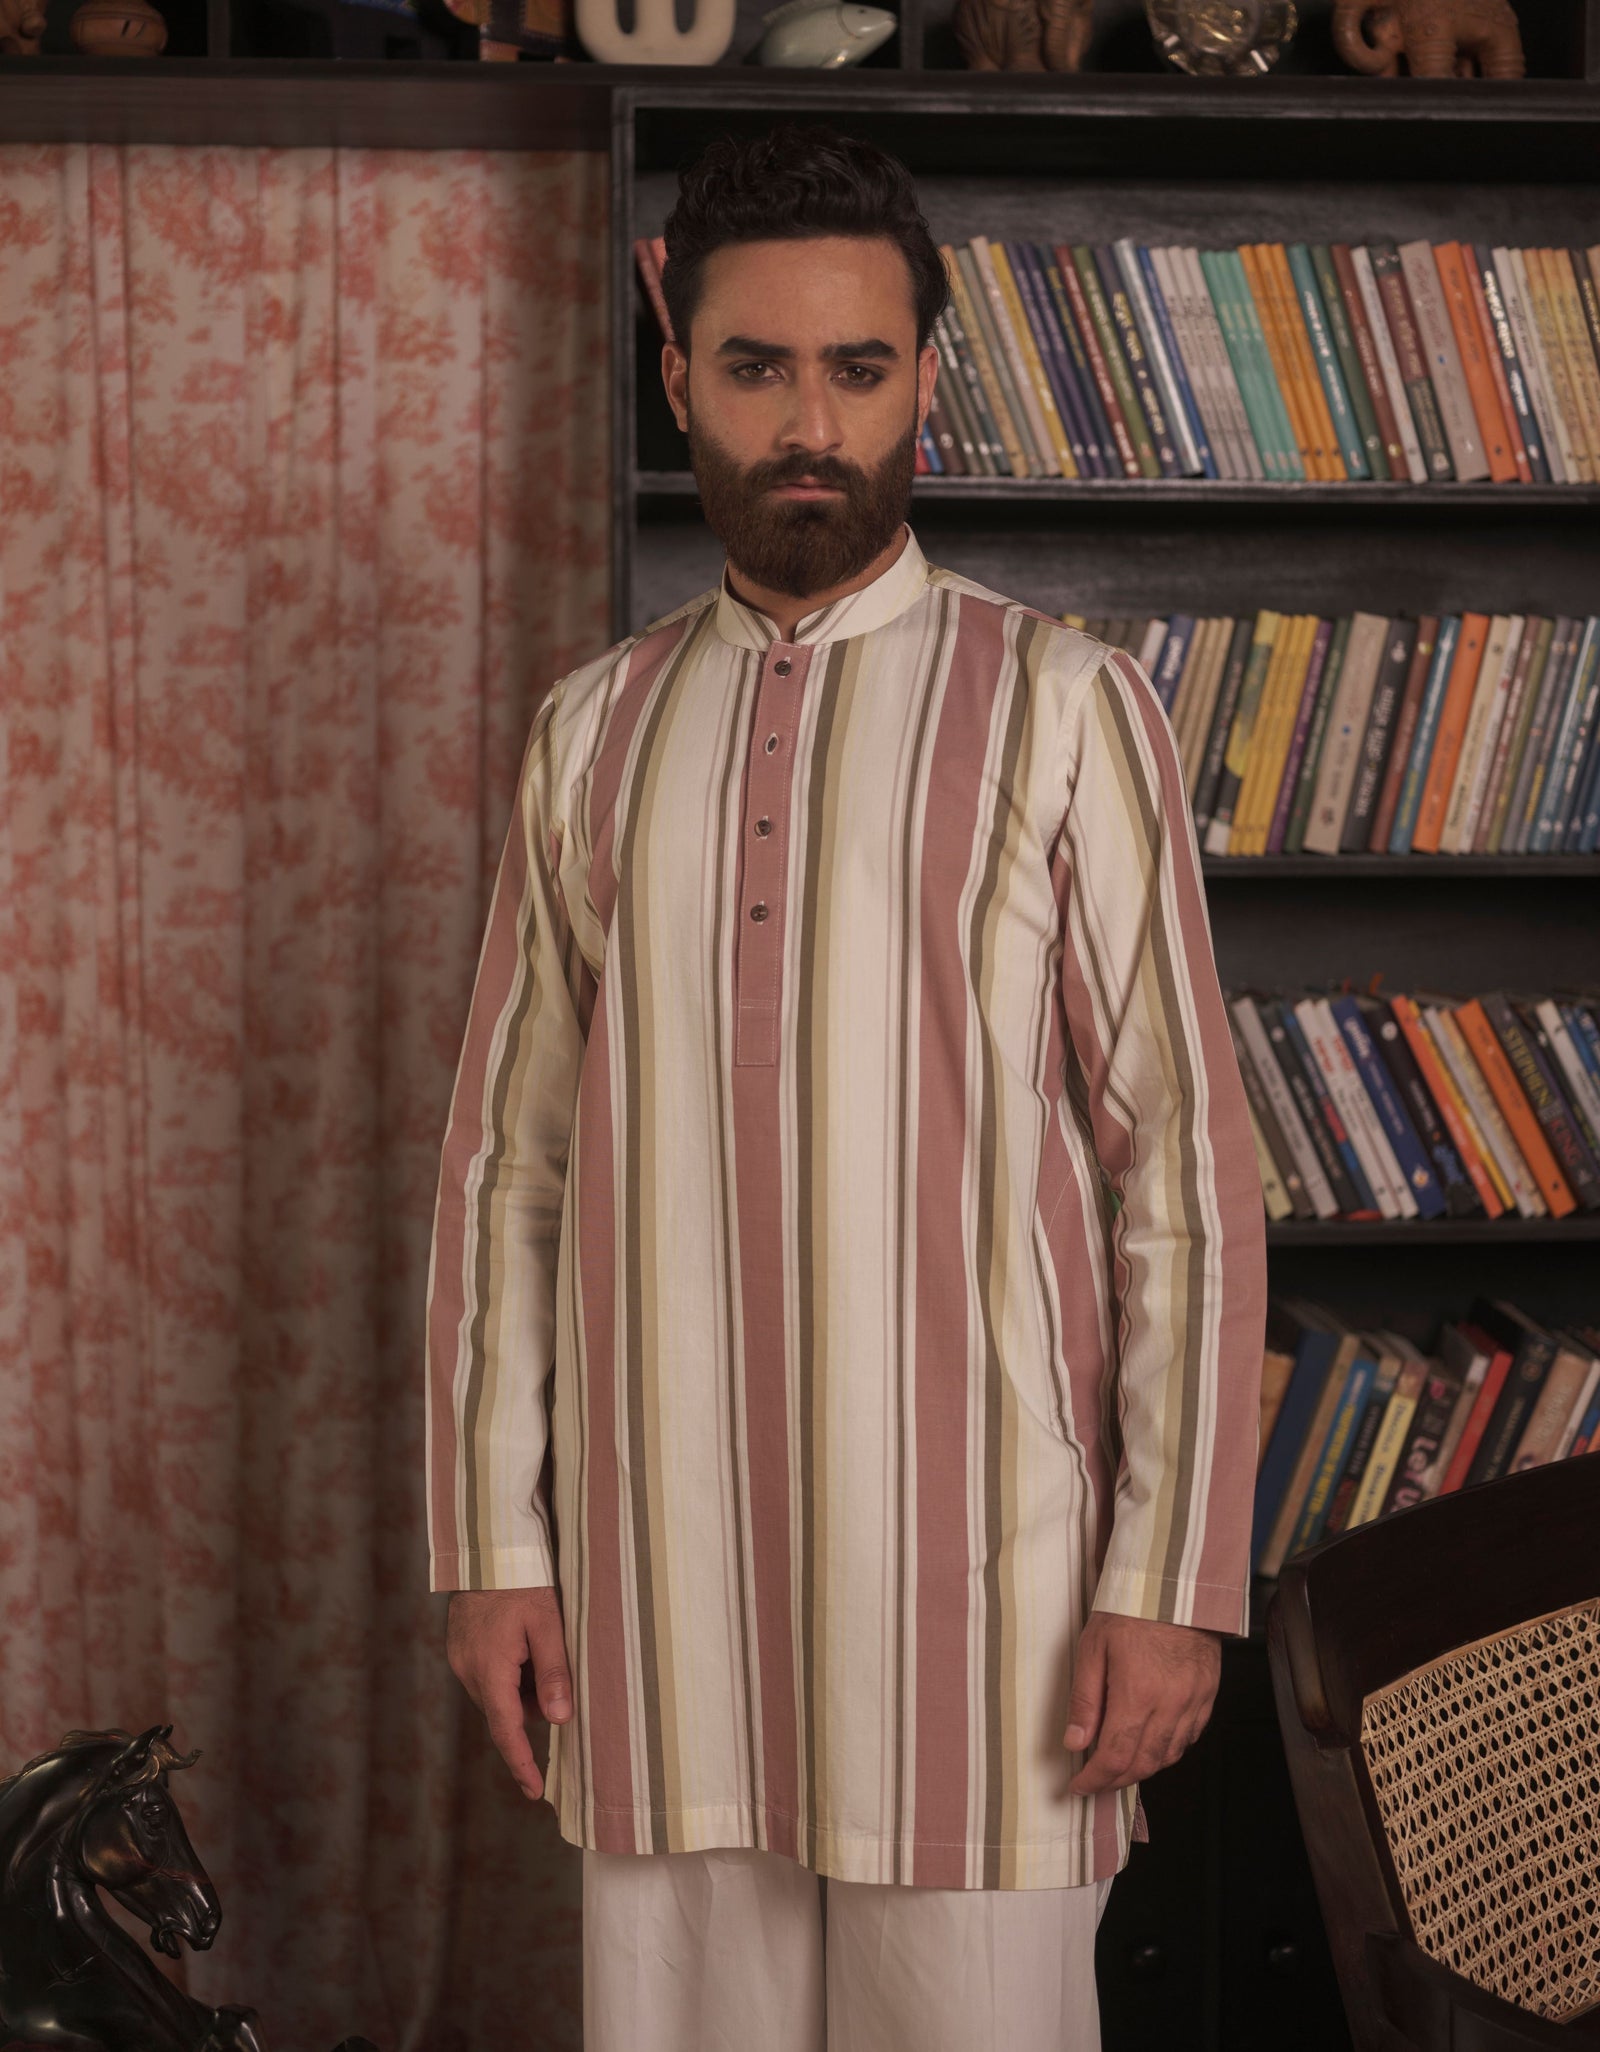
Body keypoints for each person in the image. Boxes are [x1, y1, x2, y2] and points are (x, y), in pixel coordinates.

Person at [426, 124, 1266, 2052]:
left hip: (989, 1613)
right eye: (757, 366)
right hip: (660, 1596)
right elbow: (507, 1170)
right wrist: (492, 1549)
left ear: (923, 381)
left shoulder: (1068, 706)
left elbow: (1182, 1178)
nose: (808, 422)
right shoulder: (593, 731)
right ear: (679, 377)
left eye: (857, 367)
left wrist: (1171, 1581)